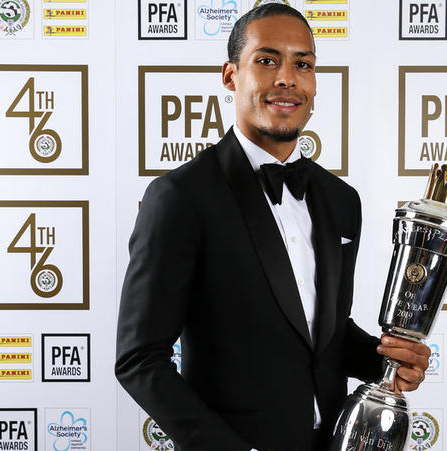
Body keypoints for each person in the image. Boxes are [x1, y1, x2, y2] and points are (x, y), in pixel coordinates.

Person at [115, 4, 430, 451]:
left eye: (303, 64)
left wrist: (387, 360)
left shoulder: (342, 200)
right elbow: (139, 360)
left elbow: (323, 334)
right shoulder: (181, 196)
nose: (287, 78)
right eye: (266, 61)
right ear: (230, 76)